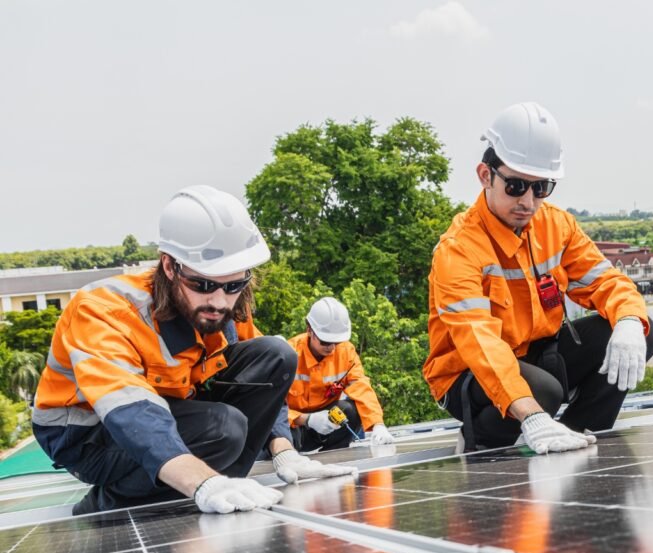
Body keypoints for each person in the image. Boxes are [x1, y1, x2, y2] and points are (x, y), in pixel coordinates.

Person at [32, 185, 355, 515]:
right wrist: (202, 483)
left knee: (276, 354)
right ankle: (113, 503)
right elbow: (131, 409)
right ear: (170, 266)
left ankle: (227, 483)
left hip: (170, 406)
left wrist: (284, 450)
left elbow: (265, 377)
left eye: (232, 285)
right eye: (202, 284)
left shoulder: (226, 306)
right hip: (87, 433)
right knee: (223, 430)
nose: (218, 301)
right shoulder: (104, 309)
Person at [423, 102, 653, 454]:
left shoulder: (556, 225)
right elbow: (479, 342)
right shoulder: (458, 249)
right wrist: (531, 415)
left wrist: (627, 319)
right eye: (516, 186)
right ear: (485, 175)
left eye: (541, 188)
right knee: (543, 391)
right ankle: (486, 445)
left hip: (537, 354)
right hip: (468, 372)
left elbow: (607, 283)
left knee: (643, 331)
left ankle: (575, 435)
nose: (529, 202)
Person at [286, 297, 395, 451]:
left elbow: (361, 387)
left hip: (328, 426)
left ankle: (334, 454)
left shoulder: (346, 352)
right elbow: (272, 408)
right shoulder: (288, 355)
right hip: (294, 428)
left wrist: (378, 424)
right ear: (309, 330)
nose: (331, 348)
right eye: (325, 342)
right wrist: (305, 419)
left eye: (336, 342)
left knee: (351, 410)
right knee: (278, 433)